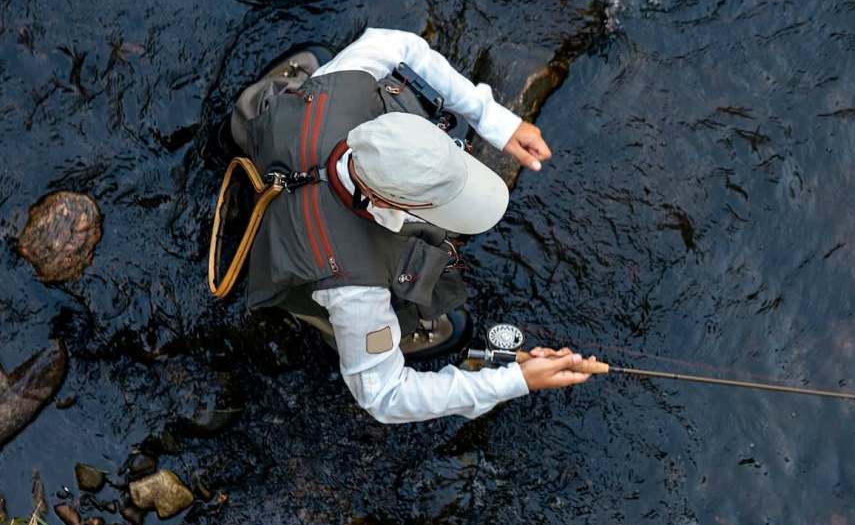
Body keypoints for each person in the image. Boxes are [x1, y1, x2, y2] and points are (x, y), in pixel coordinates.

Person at [228, 27, 595, 423]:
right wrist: (513, 381)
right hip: (311, 266)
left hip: (288, 141)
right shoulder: (354, 289)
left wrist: (494, 120)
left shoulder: (343, 86)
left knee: (317, 65)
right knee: (369, 313)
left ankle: (250, 114)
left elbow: (401, 44)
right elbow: (383, 396)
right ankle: (330, 325)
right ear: (388, 201)